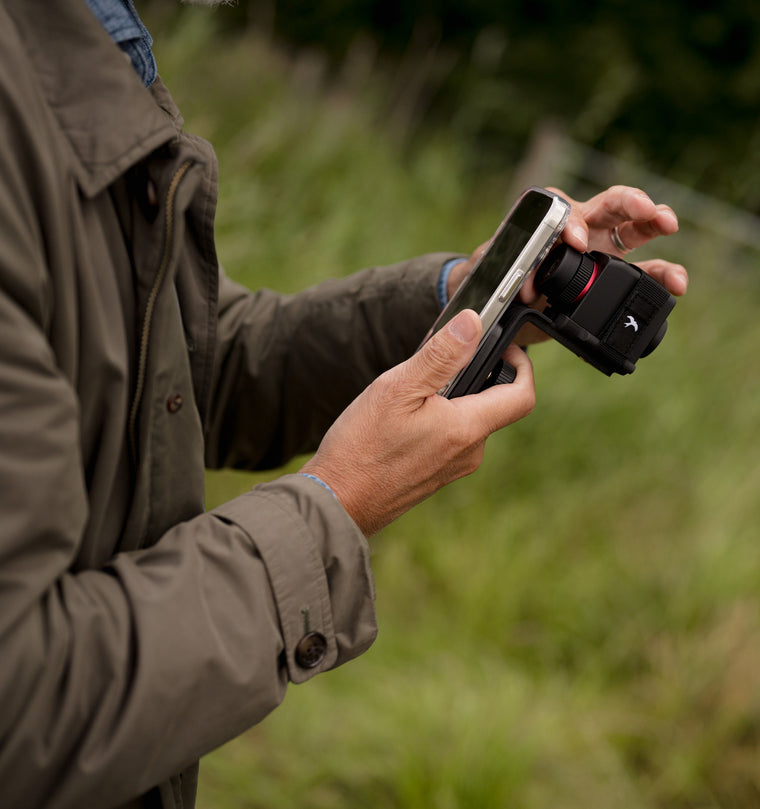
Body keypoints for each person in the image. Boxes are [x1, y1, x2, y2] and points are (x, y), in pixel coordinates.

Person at [0, 2, 688, 808]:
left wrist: (465, 298)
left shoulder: (88, 40)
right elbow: (23, 704)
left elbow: (182, 360)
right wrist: (335, 504)